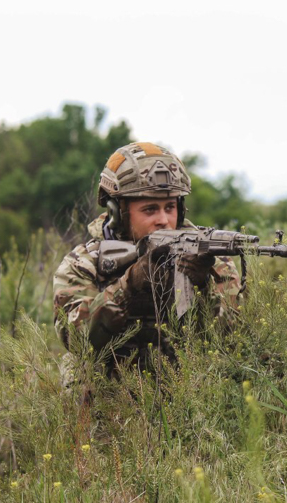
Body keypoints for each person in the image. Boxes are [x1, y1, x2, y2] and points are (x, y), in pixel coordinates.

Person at [53, 142, 242, 380]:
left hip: (187, 389)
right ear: (117, 213)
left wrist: (202, 286)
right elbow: (78, 342)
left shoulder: (211, 260)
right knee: (78, 369)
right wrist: (127, 286)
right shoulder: (84, 264)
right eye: (150, 209)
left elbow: (229, 342)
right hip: (113, 392)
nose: (163, 220)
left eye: (170, 207)